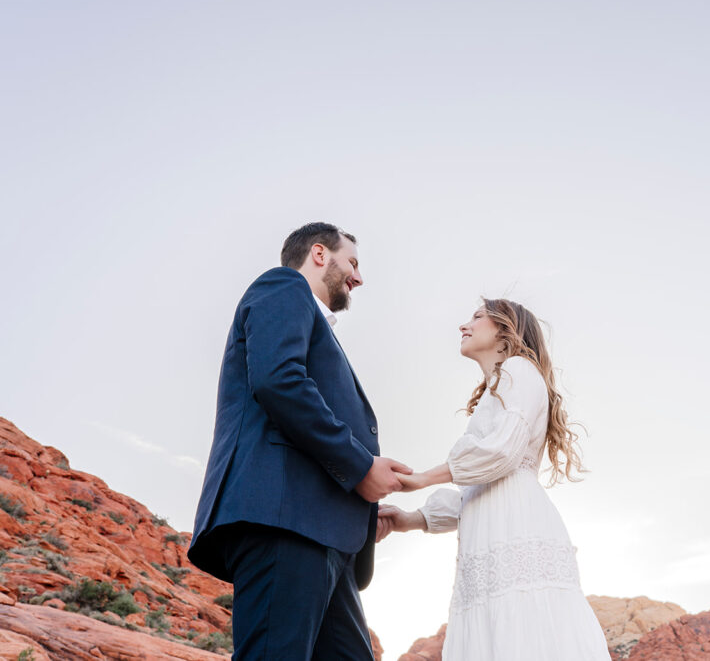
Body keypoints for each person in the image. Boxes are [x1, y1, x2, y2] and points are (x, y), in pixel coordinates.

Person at [187, 222, 412, 660]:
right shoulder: (283, 286)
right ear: (320, 254)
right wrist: (361, 468)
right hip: (285, 521)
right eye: (353, 262)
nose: (359, 277)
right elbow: (280, 382)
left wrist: (361, 511)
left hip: (325, 536)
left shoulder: (314, 322)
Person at [378, 299, 611, 660]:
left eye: (475, 317)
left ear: (505, 329)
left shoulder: (519, 369)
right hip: (492, 533)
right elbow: (480, 487)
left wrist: (423, 478)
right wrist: (411, 520)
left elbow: (500, 454)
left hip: (515, 528)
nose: (463, 325)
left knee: (522, 635)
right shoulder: (499, 388)